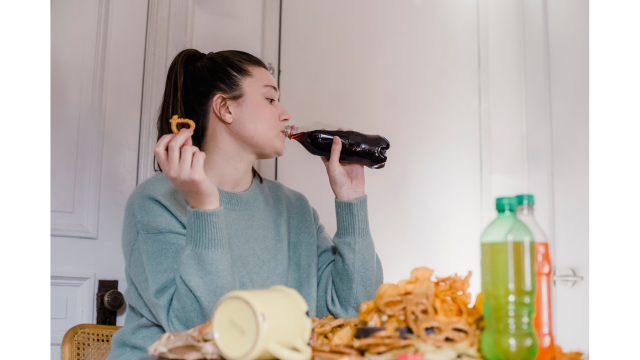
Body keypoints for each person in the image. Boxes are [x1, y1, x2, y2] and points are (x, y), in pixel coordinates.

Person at [107, 49, 383, 360]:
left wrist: (352, 201)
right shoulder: (156, 202)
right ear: (225, 108)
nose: (285, 114)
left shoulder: (293, 209)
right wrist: (204, 206)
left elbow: (355, 311)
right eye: (270, 99)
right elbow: (206, 332)